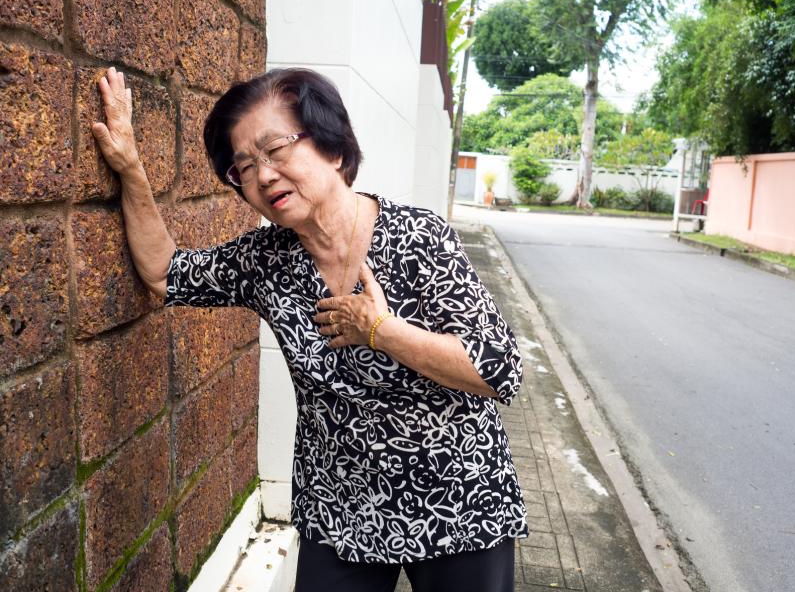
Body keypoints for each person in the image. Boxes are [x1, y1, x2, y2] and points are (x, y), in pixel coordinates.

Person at [92, 65, 528, 592]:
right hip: (340, 508)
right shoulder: (264, 260)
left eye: (276, 149)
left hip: (458, 499)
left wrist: (381, 331)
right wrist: (130, 167)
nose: (263, 176)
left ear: (334, 149)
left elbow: (499, 369)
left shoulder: (420, 237)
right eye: (244, 166)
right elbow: (165, 273)